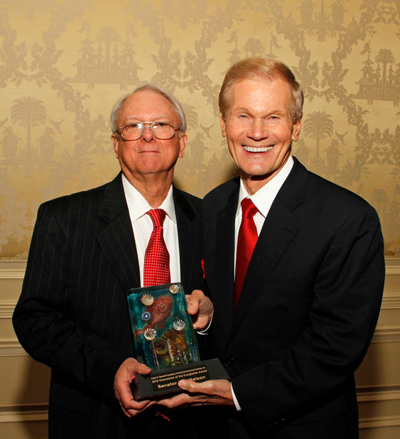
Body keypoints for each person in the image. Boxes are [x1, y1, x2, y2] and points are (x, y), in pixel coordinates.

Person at [156, 57, 385, 439]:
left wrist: (237, 393)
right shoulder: (212, 208)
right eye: (243, 116)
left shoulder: (348, 219)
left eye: (273, 117)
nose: (257, 132)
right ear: (224, 124)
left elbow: (335, 348)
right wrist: (209, 316)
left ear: (296, 127)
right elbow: (227, 325)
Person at [12, 83, 212, 439]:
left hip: (194, 422)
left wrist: (209, 320)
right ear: (116, 144)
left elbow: (233, 319)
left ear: (181, 143)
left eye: (161, 126)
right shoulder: (64, 219)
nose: (147, 136)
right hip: (97, 420)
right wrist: (109, 369)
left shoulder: (211, 220)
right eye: (133, 126)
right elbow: (35, 320)